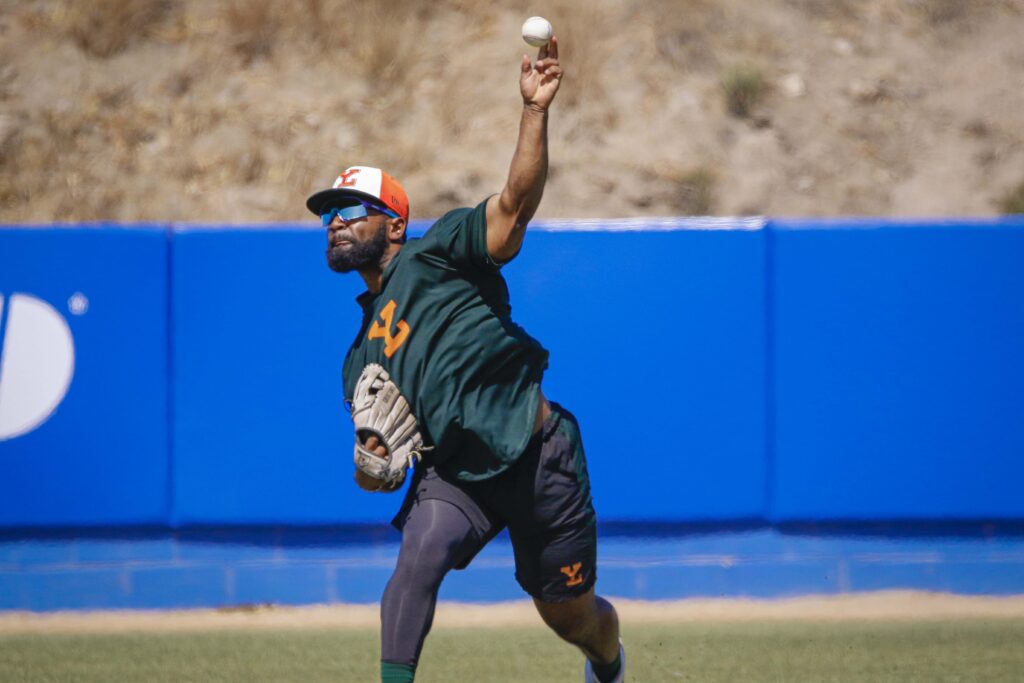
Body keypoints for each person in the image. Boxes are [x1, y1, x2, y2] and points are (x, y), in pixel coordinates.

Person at [305, 37, 624, 683]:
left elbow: (513, 206)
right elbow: (382, 456)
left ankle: (609, 661)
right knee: (416, 561)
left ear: (396, 225)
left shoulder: (438, 254)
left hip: (536, 450)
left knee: (570, 616)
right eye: (328, 214)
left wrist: (533, 111)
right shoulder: (357, 359)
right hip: (458, 475)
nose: (335, 222)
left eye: (351, 210)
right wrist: (373, 460)